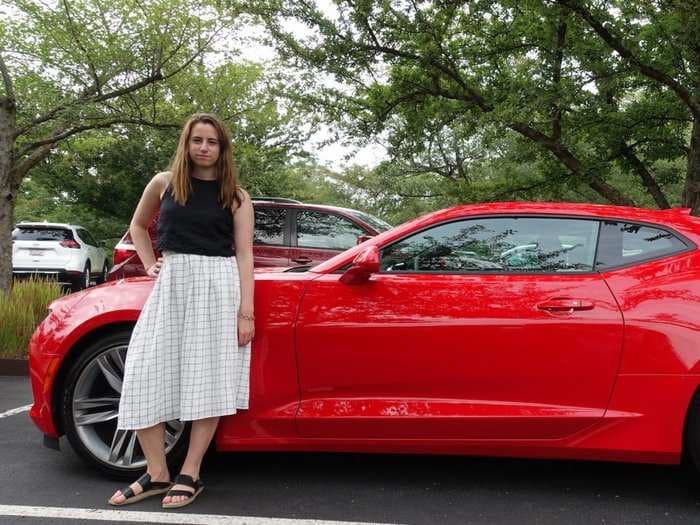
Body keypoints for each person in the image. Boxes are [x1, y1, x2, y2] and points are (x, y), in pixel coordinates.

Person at [107, 113, 255, 509]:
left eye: (212, 142)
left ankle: (190, 471)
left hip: (217, 288)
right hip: (172, 284)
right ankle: (157, 473)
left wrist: (247, 312)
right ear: (186, 144)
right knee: (142, 374)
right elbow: (138, 226)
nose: (204, 148)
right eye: (197, 140)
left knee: (208, 382)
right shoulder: (164, 183)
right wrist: (149, 260)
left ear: (222, 149)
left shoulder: (237, 196)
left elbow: (244, 255)